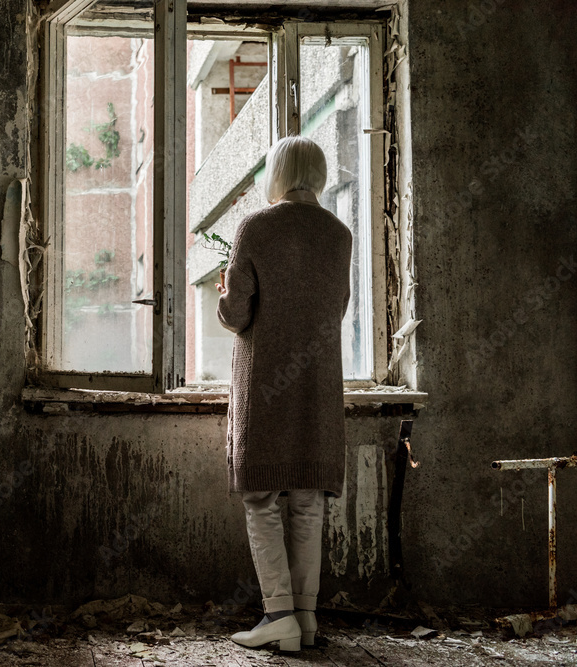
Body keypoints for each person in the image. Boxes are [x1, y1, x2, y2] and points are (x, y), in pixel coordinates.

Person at [215, 135, 352, 652]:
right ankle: (307, 619)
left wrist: (224, 293)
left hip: (266, 383)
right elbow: (336, 309)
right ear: (317, 173)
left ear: (277, 172)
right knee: (308, 500)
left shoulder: (255, 226)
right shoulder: (340, 235)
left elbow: (238, 314)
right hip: (318, 385)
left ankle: (278, 617)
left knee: (262, 496)